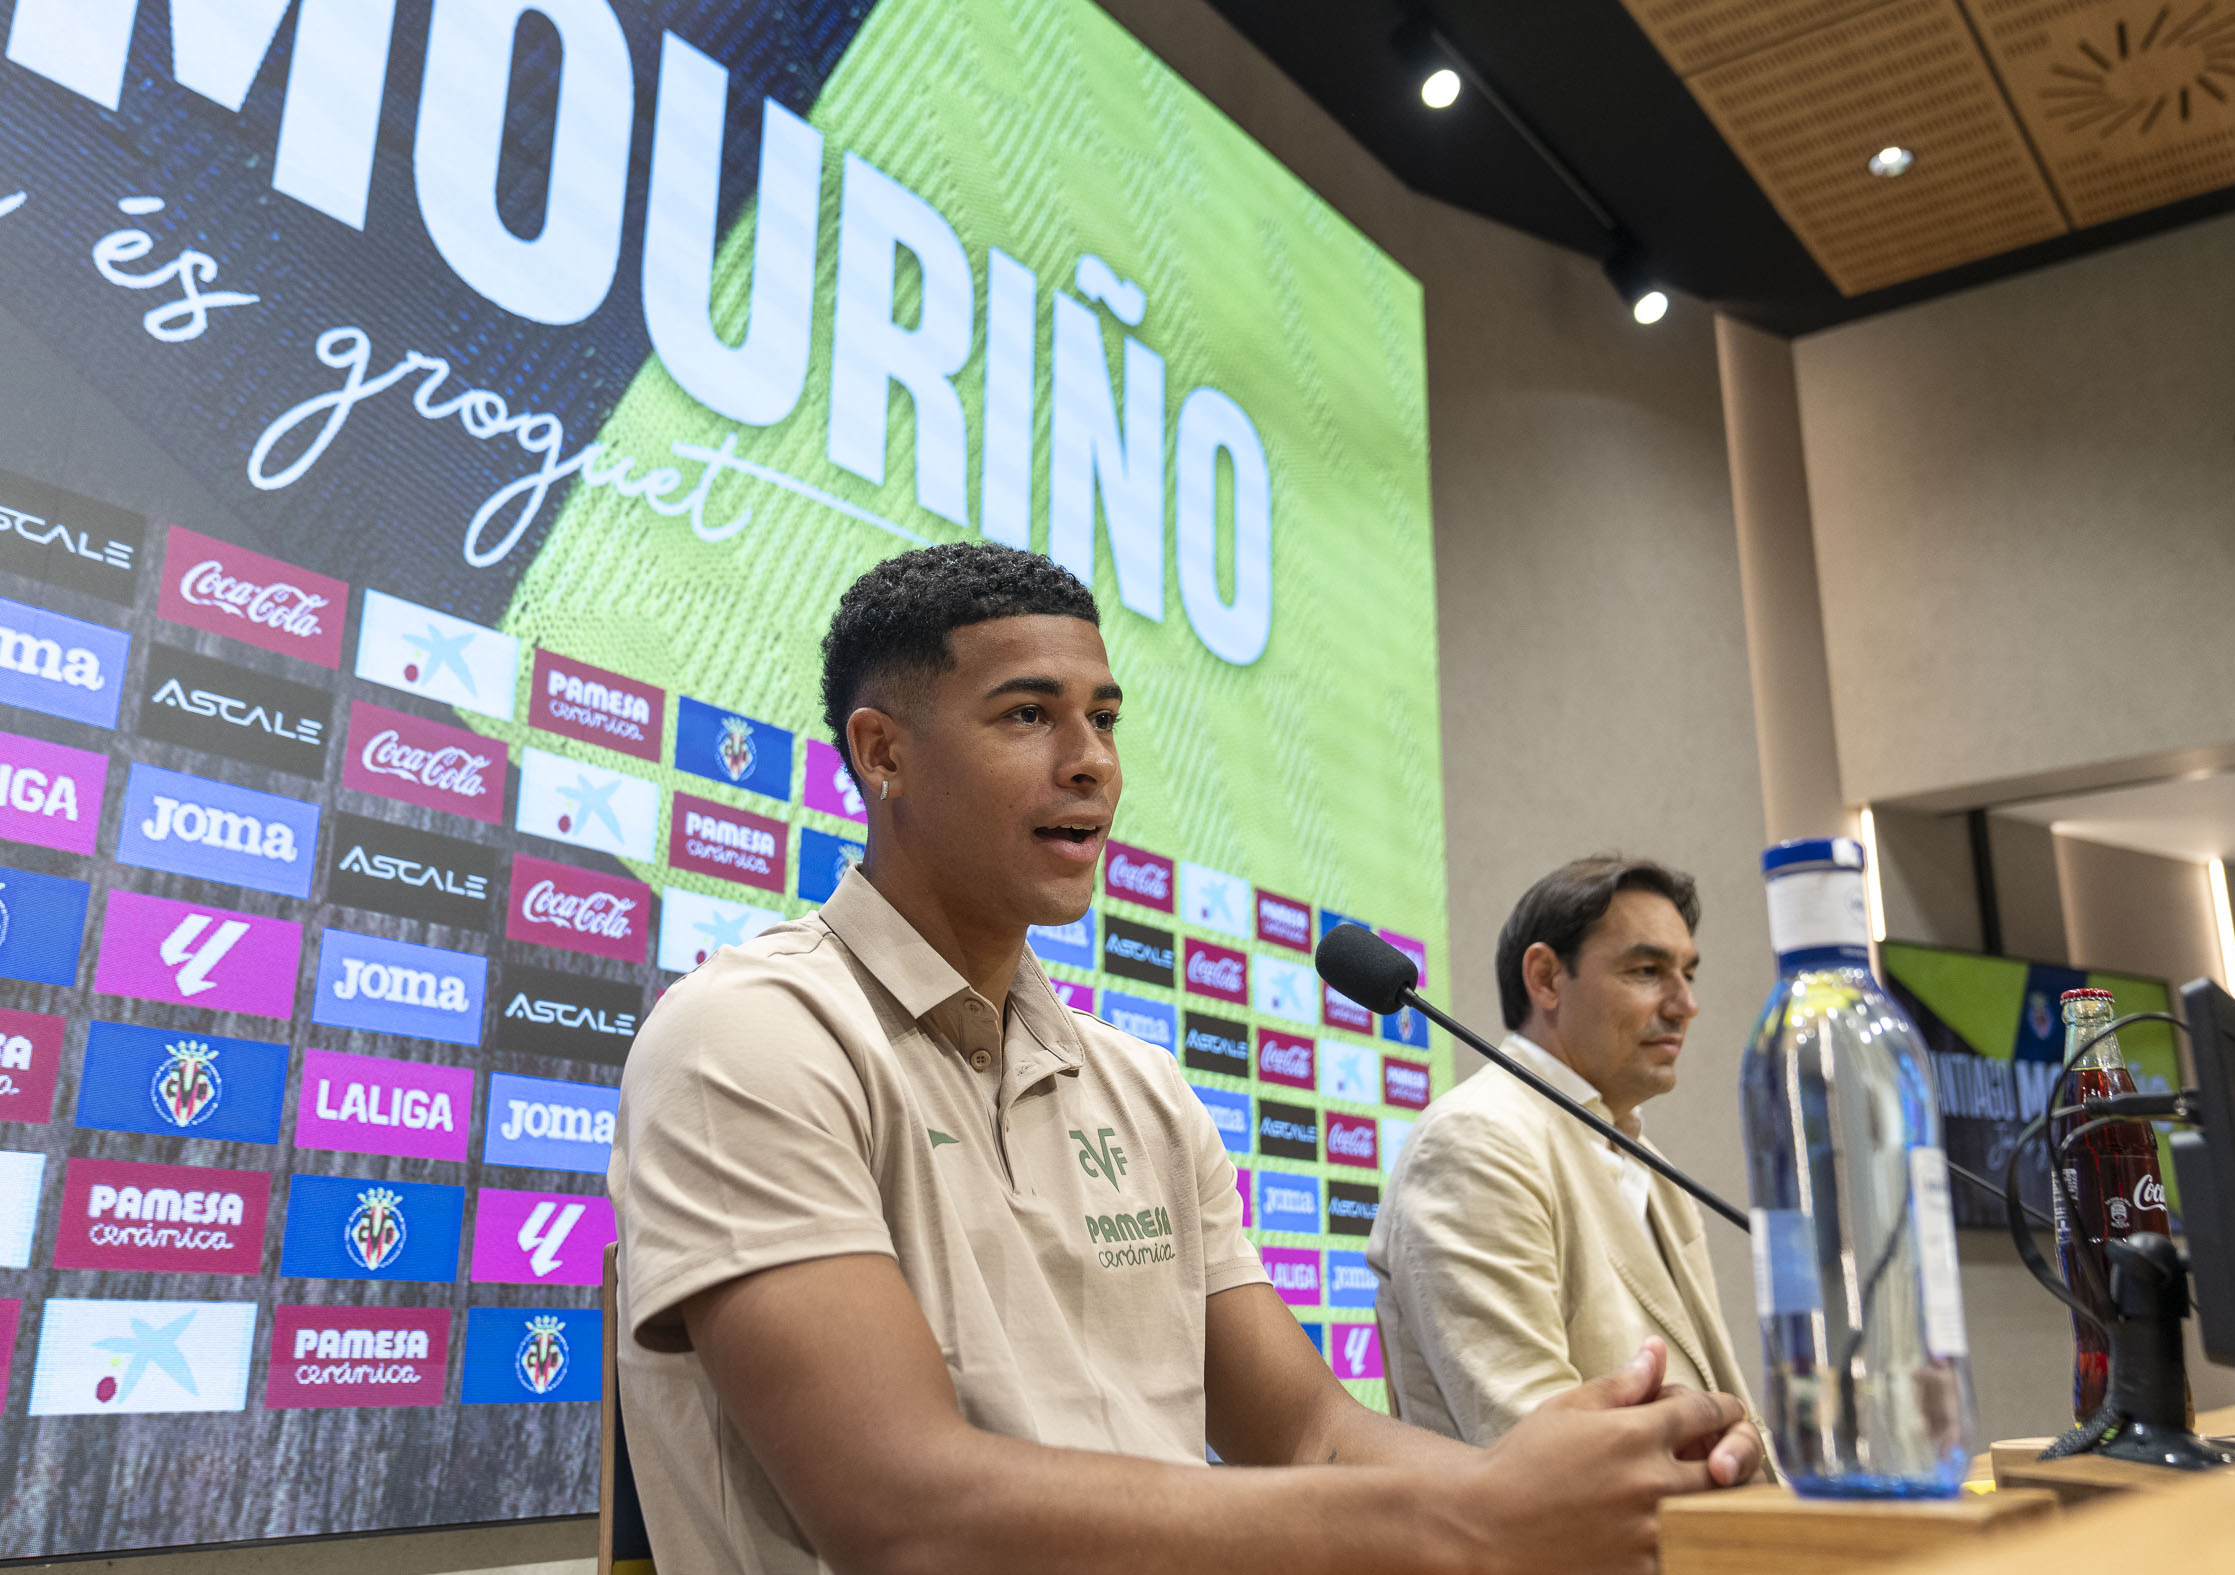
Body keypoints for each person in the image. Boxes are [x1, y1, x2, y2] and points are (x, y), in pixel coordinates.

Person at [611, 544, 1762, 1575]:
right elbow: (903, 1514)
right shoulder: (752, 1034)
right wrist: (1471, 1521)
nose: (1091, 764)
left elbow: (1309, 1435)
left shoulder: (1143, 1089)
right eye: (1028, 715)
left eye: (1105, 719)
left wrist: (1578, 1491)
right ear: (882, 755)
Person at [1369, 857, 1766, 1458]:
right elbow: (1545, 1457)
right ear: (1547, 978)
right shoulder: (1474, 1140)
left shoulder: (1646, 1161)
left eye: (1687, 973)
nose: (1685, 1004)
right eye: (1647, 971)